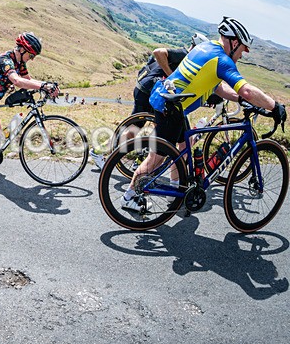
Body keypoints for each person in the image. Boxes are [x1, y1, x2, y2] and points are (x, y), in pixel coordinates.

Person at [121, 17, 286, 211]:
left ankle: (176, 190)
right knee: (156, 159)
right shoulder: (222, 60)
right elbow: (247, 90)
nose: (242, 55)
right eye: (243, 49)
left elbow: (218, 88)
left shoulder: (207, 48)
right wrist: (274, 106)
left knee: (185, 146)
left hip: (173, 105)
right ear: (234, 43)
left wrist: (241, 99)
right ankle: (129, 196)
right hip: (171, 108)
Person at [89, 33, 208, 170]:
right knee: (134, 129)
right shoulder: (184, 54)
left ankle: (141, 159)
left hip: (147, 89)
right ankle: (100, 152)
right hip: (147, 92)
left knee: (153, 127)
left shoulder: (186, 58)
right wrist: (170, 76)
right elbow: (157, 52)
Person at [0, 32, 59, 143]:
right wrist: (42, 86)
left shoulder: (20, 62)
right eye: (31, 55)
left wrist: (47, 85)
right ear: (22, 50)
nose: (32, 59)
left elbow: (27, 79)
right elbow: (16, 80)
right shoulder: (6, 61)